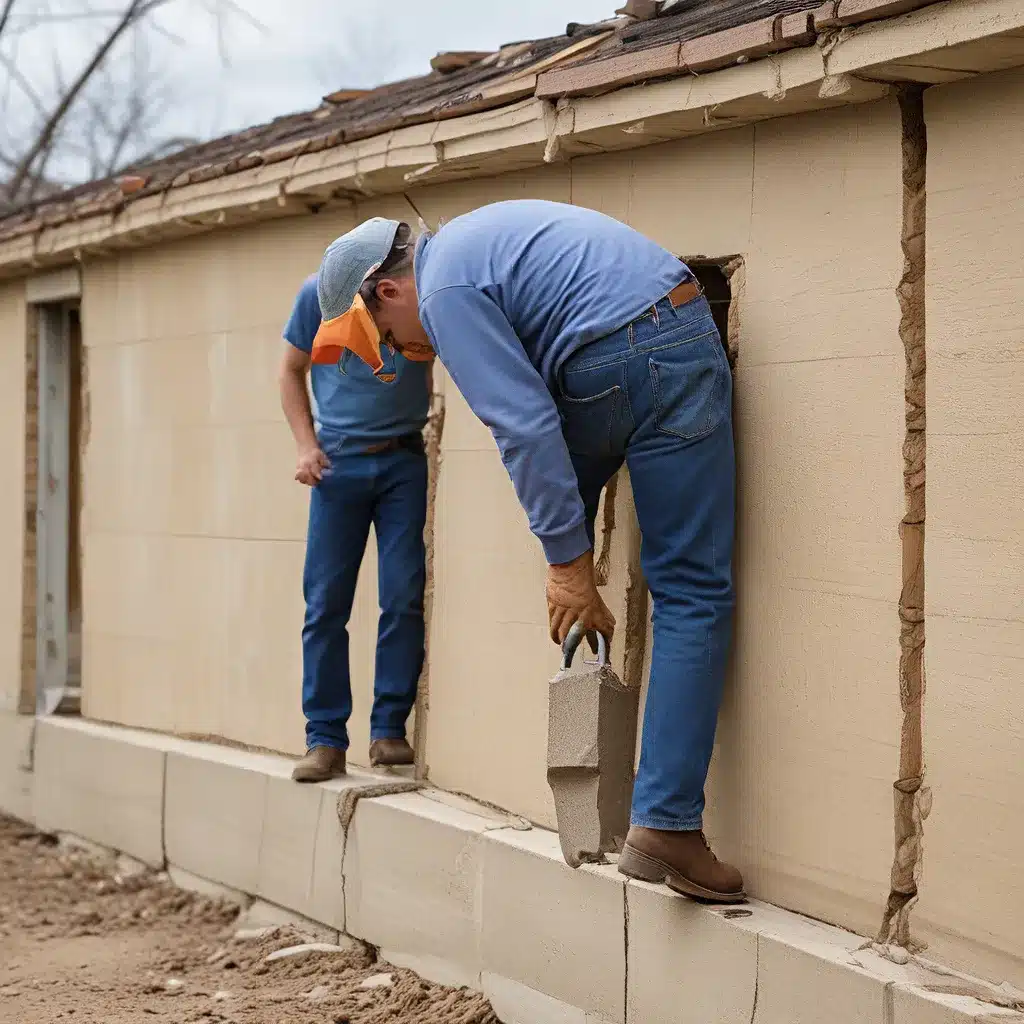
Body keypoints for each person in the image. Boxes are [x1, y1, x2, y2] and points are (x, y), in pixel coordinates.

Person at [309, 200, 743, 902]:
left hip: (640, 354)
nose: (395, 348)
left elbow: (524, 423)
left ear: (388, 290)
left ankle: (665, 824)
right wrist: (564, 559)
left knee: (685, 589)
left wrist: (569, 566)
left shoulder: (444, 288)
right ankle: (659, 821)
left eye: (383, 333)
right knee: (661, 578)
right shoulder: (467, 255)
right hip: (650, 343)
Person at [279, 259, 432, 783]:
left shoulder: (422, 295)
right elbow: (290, 369)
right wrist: (305, 445)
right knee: (325, 603)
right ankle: (324, 739)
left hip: (403, 461)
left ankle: (389, 728)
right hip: (336, 465)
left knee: (403, 593)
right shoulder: (315, 297)